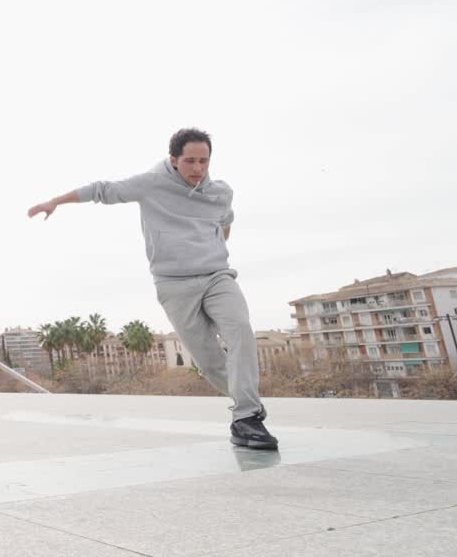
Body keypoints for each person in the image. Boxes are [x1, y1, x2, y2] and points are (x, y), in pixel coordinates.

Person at [26, 128, 278, 450]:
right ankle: (248, 403)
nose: (197, 169)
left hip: (217, 276)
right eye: (190, 161)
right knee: (208, 360)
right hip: (174, 284)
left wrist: (213, 243)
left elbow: (225, 220)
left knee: (241, 329)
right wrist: (55, 201)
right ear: (173, 160)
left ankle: (247, 417)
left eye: (204, 161)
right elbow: (104, 189)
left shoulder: (220, 191)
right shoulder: (151, 184)